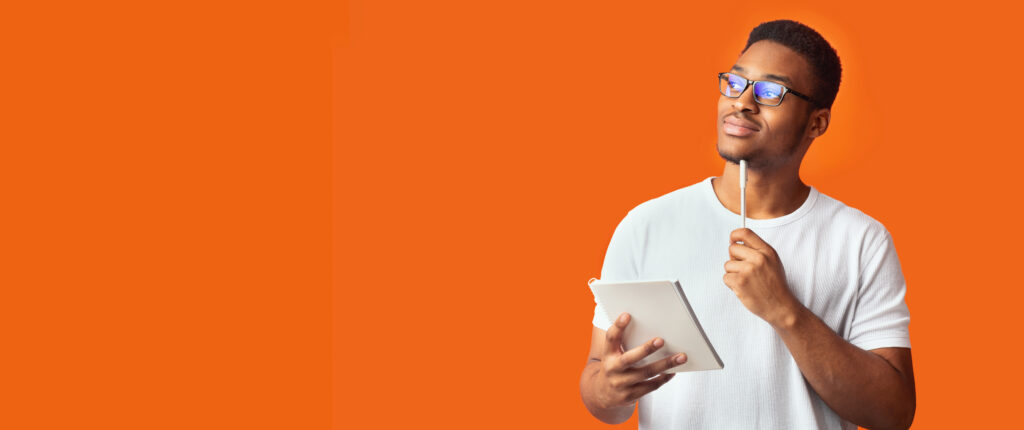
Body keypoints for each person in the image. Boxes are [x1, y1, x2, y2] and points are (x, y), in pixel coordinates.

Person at [578, 20, 915, 430]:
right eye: (735, 82)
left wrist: (784, 310)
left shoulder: (862, 241)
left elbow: (893, 414)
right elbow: (600, 382)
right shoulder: (645, 224)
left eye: (771, 91)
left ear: (817, 123)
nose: (742, 102)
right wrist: (607, 390)